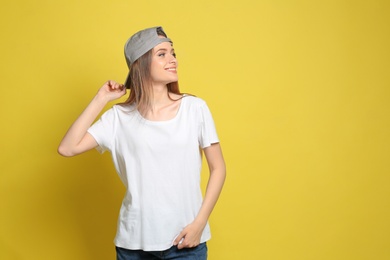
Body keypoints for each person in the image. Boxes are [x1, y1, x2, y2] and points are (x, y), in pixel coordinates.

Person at [58, 26, 226, 260]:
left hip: (186, 242)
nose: (172, 60)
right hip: (133, 245)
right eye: (162, 54)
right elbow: (67, 148)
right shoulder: (119, 117)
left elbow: (218, 168)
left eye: (173, 53)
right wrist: (101, 99)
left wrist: (199, 223)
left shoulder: (194, 108)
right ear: (141, 63)